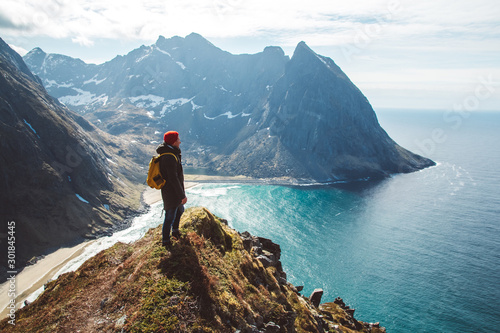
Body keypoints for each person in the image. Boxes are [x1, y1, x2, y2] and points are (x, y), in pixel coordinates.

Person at [156, 131, 187, 247]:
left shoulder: (171, 153)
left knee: (179, 211)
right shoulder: (169, 157)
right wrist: (182, 196)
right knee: (170, 216)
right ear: (173, 142)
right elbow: (173, 178)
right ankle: (166, 240)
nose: (180, 141)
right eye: (178, 139)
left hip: (173, 191)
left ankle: (175, 231)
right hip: (171, 192)